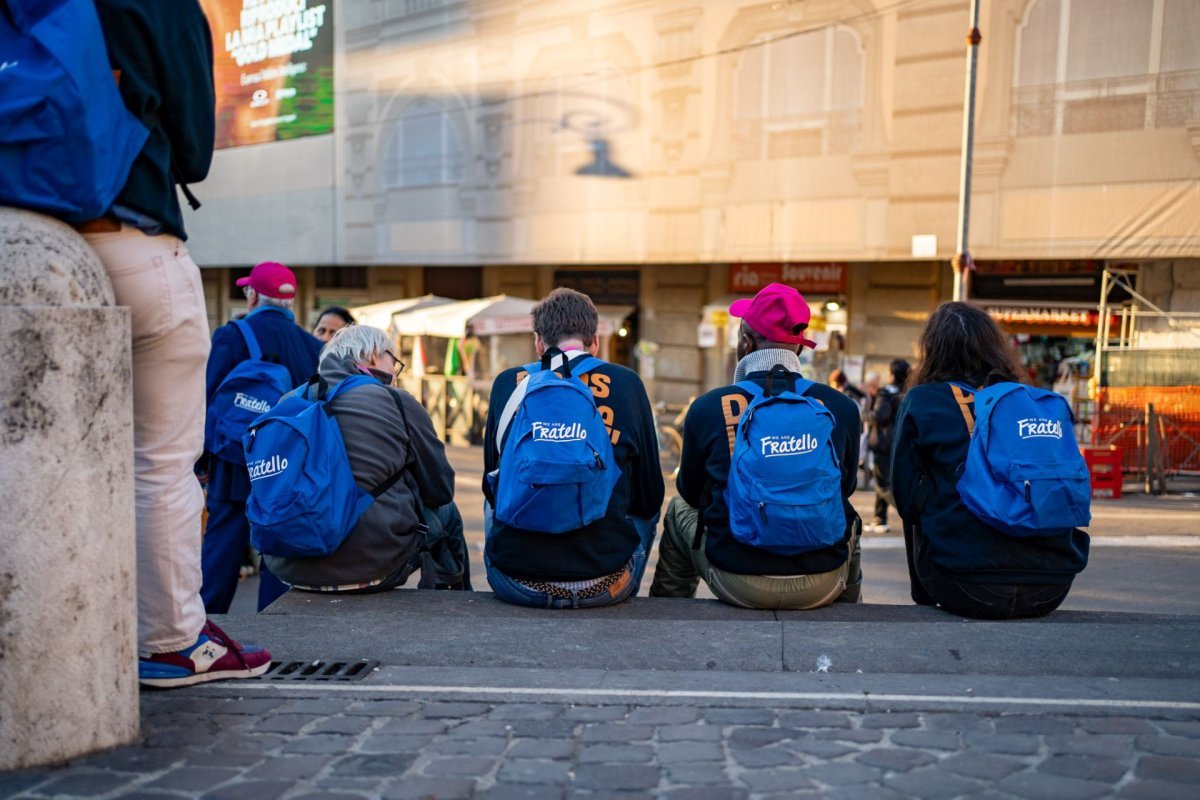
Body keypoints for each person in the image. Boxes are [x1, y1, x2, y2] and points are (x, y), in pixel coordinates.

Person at [79, 0, 271, 686]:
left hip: (27, 244)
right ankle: (170, 640)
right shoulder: (161, 6)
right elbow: (192, 151)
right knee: (160, 463)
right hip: (130, 239)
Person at [650, 283, 862, 609]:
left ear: (746, 343)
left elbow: (691, 493)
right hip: (823, 580)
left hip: (737, 578)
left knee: (679, 509)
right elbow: (844, 488)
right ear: (799, 350)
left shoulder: (708, 407)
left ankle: (667, 613)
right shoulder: (841, 407)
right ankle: (851, 615)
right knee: (849, 516)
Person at [892, 302, 1089, 619]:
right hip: (1051, 587)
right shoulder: (1027, 399)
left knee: (921, 488)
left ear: (932, 349)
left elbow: (905, 497)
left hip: (965, 585)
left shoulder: (924, 399)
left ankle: (925, 594)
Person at [482, 288, 664, 608]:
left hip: (516, 582)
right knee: (645, 509)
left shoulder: (508, 383)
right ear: (593, 342)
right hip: (606, 582)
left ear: (539, 342)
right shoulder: (626, 383)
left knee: (495, 490)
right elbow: (649, 496)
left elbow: (490, 487)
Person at [263, 325, 470, 593]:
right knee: (447, 513)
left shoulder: (288, 402)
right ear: (372, 355)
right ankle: (444, 602)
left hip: (289, 567)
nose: (395, 371)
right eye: (394, 361)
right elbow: (440, 489)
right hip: (375, 567)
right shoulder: (396, 401)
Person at [201, 261, 323, 613]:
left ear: (253, 295)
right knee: (279, 542)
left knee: (223, 544)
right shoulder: (312, 347)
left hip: (234, 460)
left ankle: (210, 624)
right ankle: (275, 628)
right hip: (286, 465)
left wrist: (201, 460)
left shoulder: (231, 336)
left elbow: (207, 398)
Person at [864, 360, 908, 533]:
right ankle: (879, 518)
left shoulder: (886, 392)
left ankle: (908, 512)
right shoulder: (906, 391)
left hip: (883, 442)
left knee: (883, 485)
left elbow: (880, 416)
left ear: (892, 373)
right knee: (884, 479)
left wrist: (865, 414)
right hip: (898, 441)